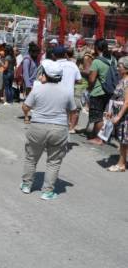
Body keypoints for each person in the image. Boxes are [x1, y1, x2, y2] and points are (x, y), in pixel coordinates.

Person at [20, 59, 75, 200]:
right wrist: (70, 126)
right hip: (59, 128)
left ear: (45, 74)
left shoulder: (37, 89)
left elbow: (25, 107)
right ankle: (47, 191)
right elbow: (73, 111)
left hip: (37, 126)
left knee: (31, 157)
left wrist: (29, 112)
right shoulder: (67, 91)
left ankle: (26, 185)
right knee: (54, 161)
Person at [87, 39, 116, 145]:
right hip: (110, 91)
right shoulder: (113, 59)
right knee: (105, 115)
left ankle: (99, 139)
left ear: (96, 47)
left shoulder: (97, 61)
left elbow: (91, 79)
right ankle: (101, 136)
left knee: (97, 116)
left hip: (98, 91)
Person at [105, 56, 128, 172]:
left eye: (120, 66)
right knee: (123, 141)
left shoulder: (127, 81)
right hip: (121, 114)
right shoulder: (122, 80)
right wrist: (110, 111)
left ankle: (121, 164)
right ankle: (122, 162)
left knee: (124, 141)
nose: (117, 68)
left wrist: (118, 116)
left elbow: (127, 102)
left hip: (125, 117)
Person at [54, 46, 82, 134]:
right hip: (70, 93)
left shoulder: (55, 65)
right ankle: (71, 128)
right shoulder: (73, 65)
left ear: (54, 55)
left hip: (57, 92)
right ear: (65, 54)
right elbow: (80, 80)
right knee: (73, 111)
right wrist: (71, 81)